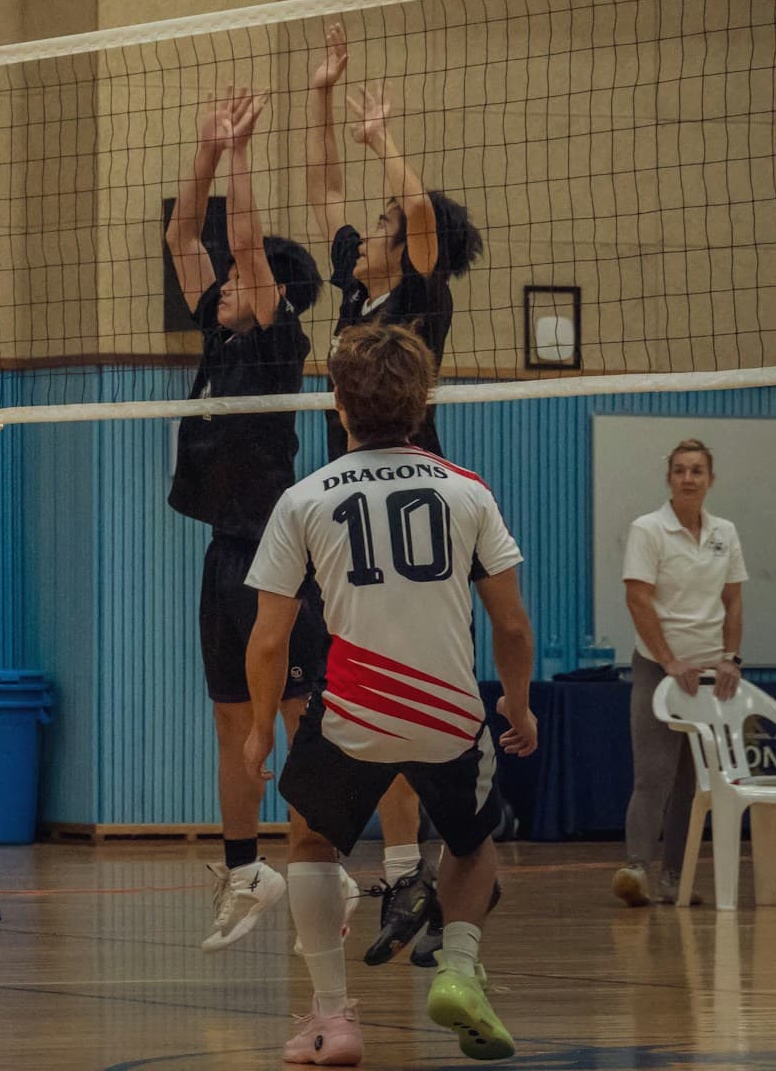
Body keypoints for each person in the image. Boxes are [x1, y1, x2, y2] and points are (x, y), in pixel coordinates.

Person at [245, 323, 538, 1066]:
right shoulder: (468, 490)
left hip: (352, 714)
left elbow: (272, 640)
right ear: (424, 402)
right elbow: (510, 621)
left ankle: (333, 1020)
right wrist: (518, 703)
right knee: (472, 848)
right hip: (448, 713)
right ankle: (461, 968)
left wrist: (256, 732)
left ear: (337, 403)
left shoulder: (304, 497)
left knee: (310, 842)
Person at [307, 23, 488, 965]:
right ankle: (408, 869)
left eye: (383, 227)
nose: (370, 231)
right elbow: (325, 192)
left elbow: (416, 216)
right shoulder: (357, 296)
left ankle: (434, 872)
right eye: (375, 230)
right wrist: (327, 98)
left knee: (421, 697)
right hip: (346, 512)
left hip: (412, 504)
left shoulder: (421, 296)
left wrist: (387, 140)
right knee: (366, 694)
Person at [161, 88, 326, 951]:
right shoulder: (220, 338)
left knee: (297, 719)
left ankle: (313, 879)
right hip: (225, 550)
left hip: (280, 553)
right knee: (230, 717)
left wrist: (244, 157)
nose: (222, 284)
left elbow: (243, 246)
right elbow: (182, 238)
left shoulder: (275, 334)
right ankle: (243, 869)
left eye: (238, 280)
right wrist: (204, 152)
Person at [616, 438, 745, 908]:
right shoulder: (647, 529)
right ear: (668, 477)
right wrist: (669, 661)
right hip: (660, 670)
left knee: (697, 783)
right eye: (679, 470)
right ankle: (636, 869)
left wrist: (731, 657)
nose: (688, 478)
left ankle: (677, 876)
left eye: (696, 470)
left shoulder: (725, 532)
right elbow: (637, 598)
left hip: (710, 676)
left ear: (710, 479)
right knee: (654, 775)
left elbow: (732, 600)